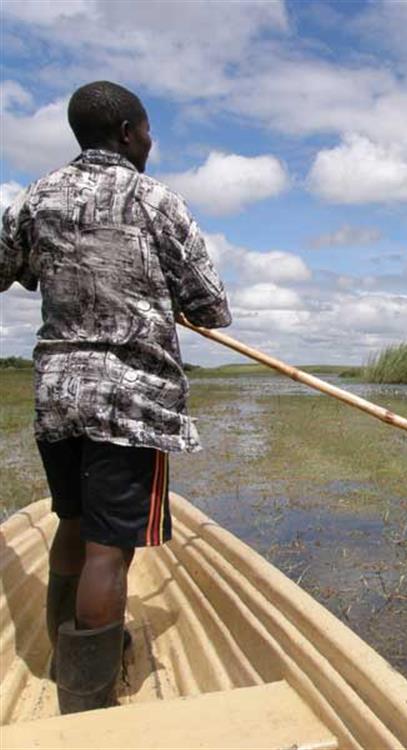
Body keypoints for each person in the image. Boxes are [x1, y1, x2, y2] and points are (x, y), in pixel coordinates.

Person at [0, 81, 231, 713]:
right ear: (128, 131)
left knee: (71, 524)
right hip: (129, 404)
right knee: (110, 550)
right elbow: (212, 305)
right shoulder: (157, 200)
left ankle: (65, 661)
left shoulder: (36, 196)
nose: (151, 142)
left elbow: (4, 270)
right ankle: (87, 704)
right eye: (149, 131)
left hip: (58, 396)